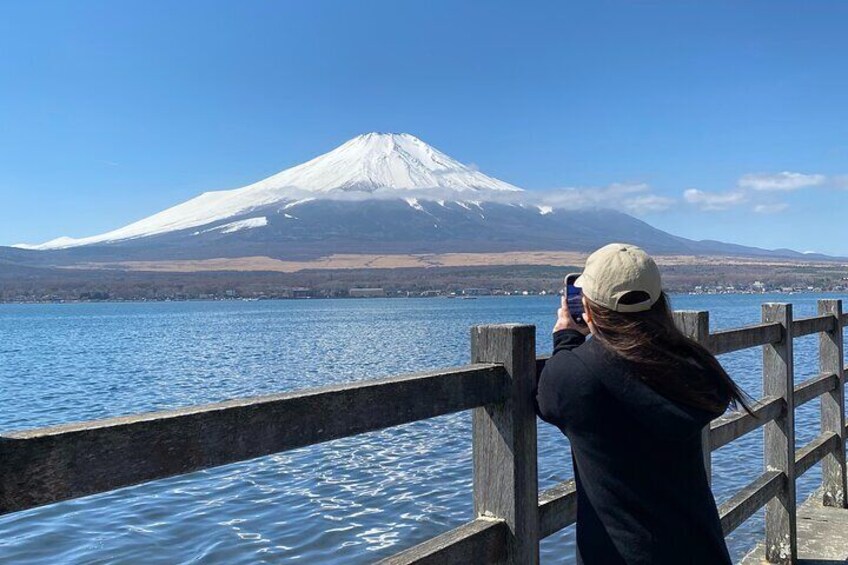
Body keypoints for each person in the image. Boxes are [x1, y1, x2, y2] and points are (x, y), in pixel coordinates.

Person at [535, 243, 749, 565]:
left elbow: (550, 395)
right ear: (659, 303)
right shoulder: (692, 367)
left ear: (588, 309)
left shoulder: (576, 375)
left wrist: (567, 338)